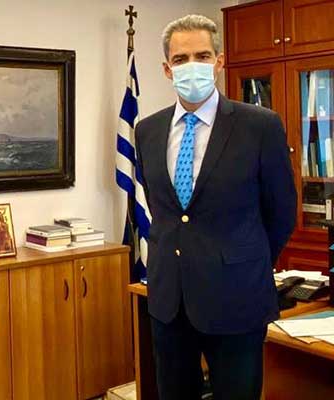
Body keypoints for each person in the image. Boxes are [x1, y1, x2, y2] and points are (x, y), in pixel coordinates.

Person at [134, 15, 296, 400]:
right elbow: (163, 209)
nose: (192, 66)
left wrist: (242, 260)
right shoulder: (148, 130)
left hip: (237, 299)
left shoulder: (260, 126)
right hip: (170, 302)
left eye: (202, 56)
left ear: (219, 62)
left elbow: (282, 212)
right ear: (167, 69)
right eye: (181, 58)